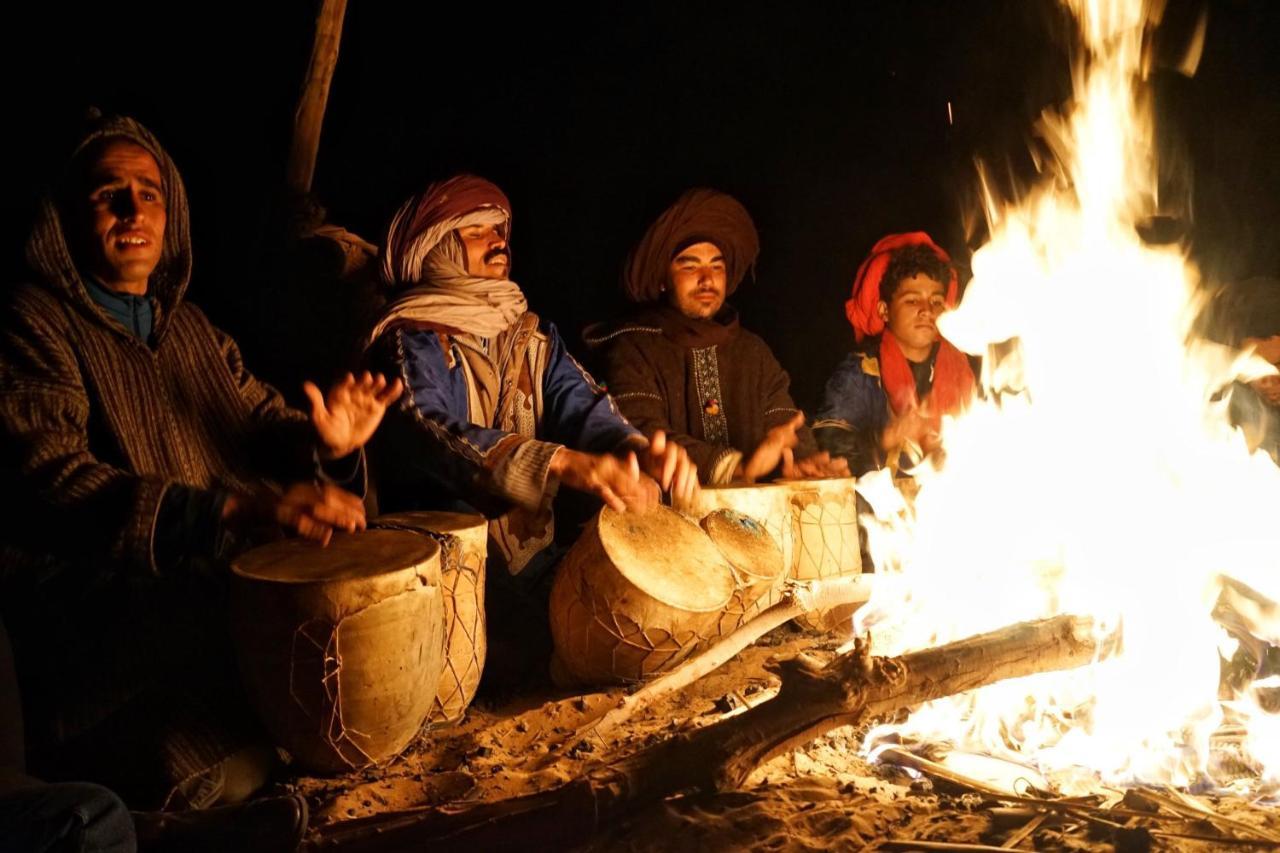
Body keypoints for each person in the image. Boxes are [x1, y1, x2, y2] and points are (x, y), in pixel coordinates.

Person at [0, 112, 401, 810]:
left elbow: (258, 421)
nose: (133, 209)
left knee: (354, 716)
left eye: (150, 192)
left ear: (172, 211)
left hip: (225, 633)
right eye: (108, 193)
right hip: (115, 666)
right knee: (241, 773)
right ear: (65, 217)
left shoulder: (189, 328)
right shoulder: (34, 323)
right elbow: (50, 479)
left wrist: (329, 446)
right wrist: (232, 510)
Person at [366, 174, 695, 579]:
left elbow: (583, 405)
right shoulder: (410, 338)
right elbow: (431, 428)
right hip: (436, 577)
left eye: (498, 230)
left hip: (531, 566)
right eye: (475, 232)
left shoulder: (530, 335)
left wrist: (636, 449)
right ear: (436, 249)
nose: (498, 241)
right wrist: (563, 463)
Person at [586, 188, 846, 485]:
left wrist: (801, 464)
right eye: (690, 265)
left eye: (717, 266)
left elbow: (785, 427)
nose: (707, 279)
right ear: (662, 279)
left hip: (753, 524)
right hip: (664, 522)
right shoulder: (633, 348)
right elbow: (640, 432)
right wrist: (737, 467)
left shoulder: (753, 352)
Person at [814, 232, 977, 475]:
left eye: (936, 301)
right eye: (912, 301)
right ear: (884, 310)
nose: (926, 311)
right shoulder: (860, 373)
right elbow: (826, 446)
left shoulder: (960, 371)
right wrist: (887, 438)